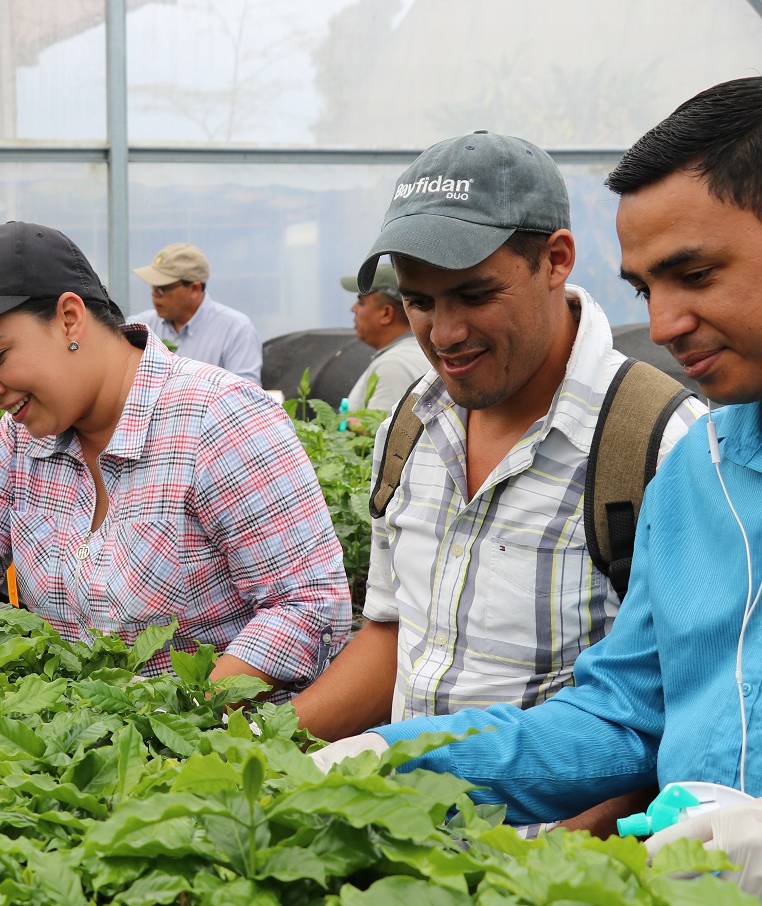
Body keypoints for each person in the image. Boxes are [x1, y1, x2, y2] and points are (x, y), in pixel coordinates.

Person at [312, 78, 762, 887]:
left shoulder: (657, 438)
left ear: (553, 262)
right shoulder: (706, 477)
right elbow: (620, 714)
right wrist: (399, 761)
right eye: (647, 289)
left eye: (694, 273)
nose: (663, 325)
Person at [0, 221, 351, 696]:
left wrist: (185, 715)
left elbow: (307, 607)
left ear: (68, 318)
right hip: (84, 760)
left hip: (219, 773)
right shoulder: (21, 441)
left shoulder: (218, 420)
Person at [291, 130, 703, 768]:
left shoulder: (658, 442)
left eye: (476, 296)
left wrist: (534, 862)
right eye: (419, 303)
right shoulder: (412, 424)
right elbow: (395, 638)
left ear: (556, 260)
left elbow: (667, 713)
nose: (445, 334)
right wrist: (254, 752)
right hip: (402, 839)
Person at [128, 242, 262, 384]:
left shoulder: (237, 329)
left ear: (194, 289)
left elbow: (244, 395)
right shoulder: (139, 327)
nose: (154, 294)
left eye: (163, 288)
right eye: (153, 286)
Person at [339, 260, 432, 413]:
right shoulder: (423, 352)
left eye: (361, 302)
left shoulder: (393, 365)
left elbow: (378, 433)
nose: (353, 309)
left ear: (386, 313)